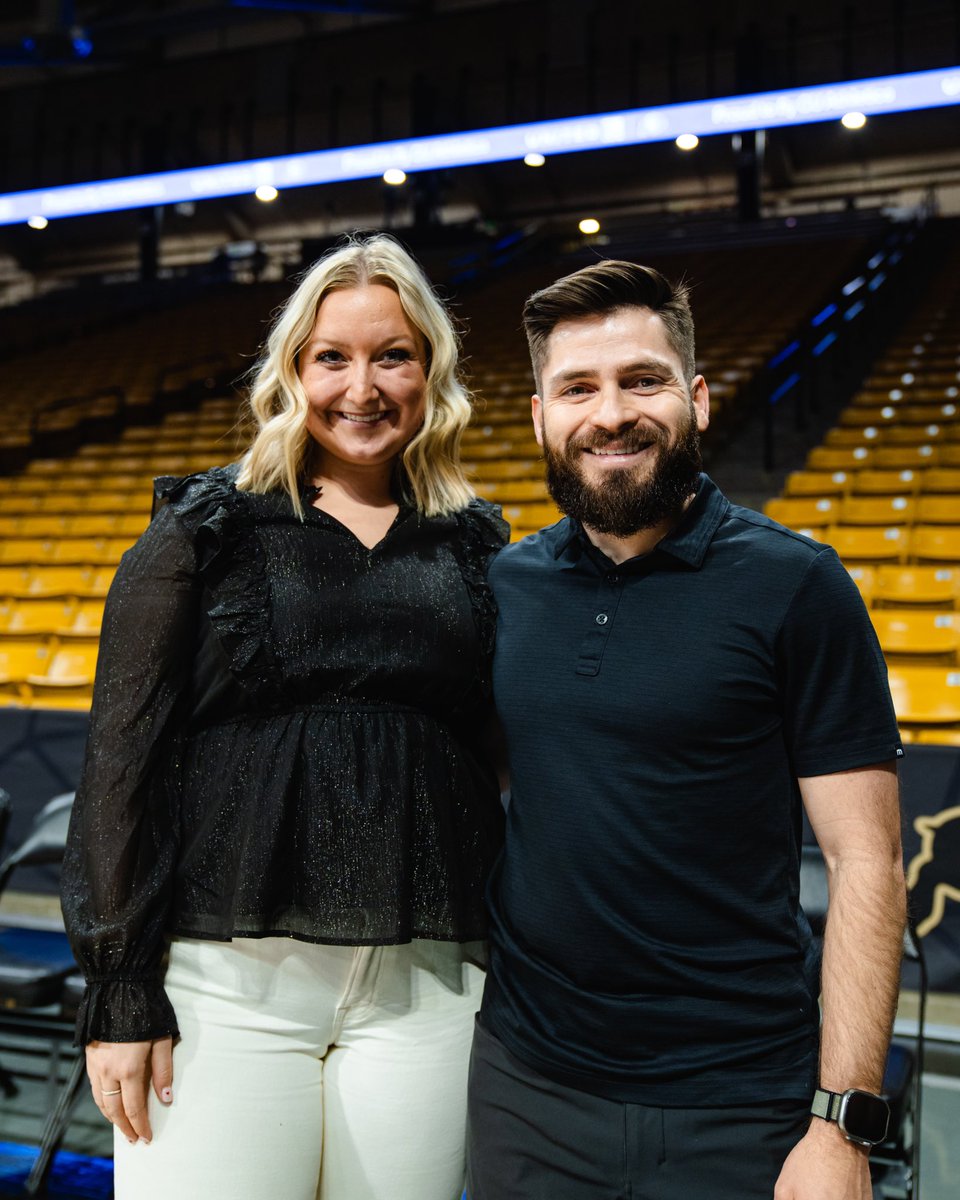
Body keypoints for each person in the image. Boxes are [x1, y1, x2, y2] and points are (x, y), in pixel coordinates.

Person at [62, 233, 508, 1200]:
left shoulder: (478, 548)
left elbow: (495, 760)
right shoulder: (204, 531)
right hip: (226, 989)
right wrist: (121, 990)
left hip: (425, 986)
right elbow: (119, 766)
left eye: (394, 355)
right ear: (292, 371)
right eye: (332, 358)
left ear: (431, 371)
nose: (364, 386)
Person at [466, 260, 906, 1200]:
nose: (611, 413)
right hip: (527, 1089)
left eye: (644, 380)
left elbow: (867, 861)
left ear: (697, 399)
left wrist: (843, 1123)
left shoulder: (798, 586)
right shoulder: (504, 588)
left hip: (742, 1103)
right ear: (540, 416)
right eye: (577, 388)